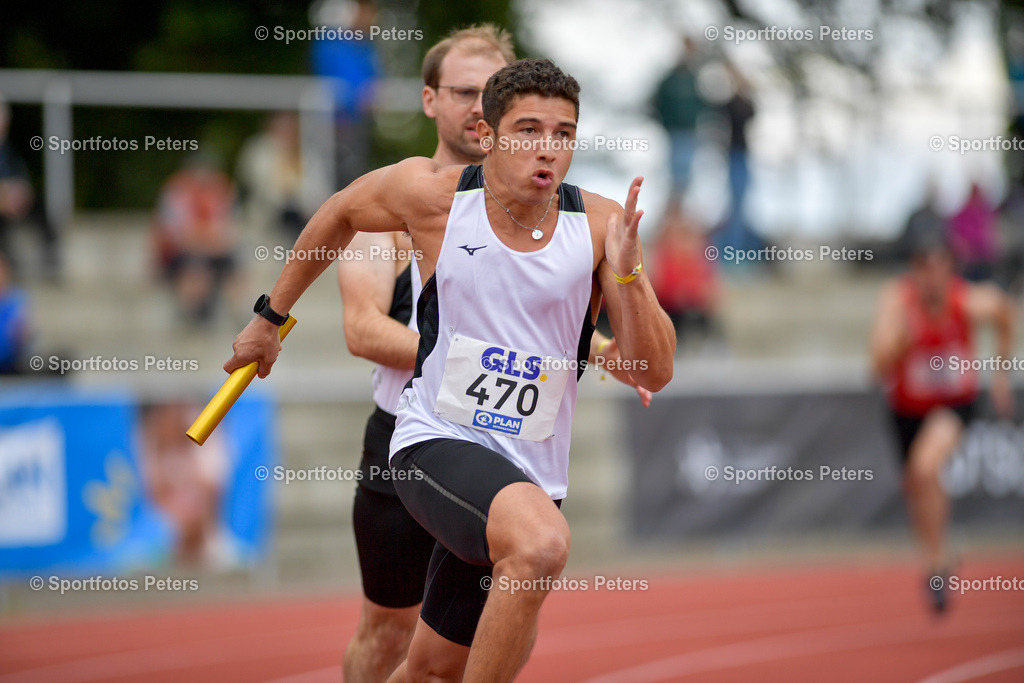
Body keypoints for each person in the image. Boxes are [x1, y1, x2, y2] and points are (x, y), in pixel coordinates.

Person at [224, 58, 675, 680]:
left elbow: (653, 371)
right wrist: (268, 320)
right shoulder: (437, 199)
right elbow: (340, 212)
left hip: (529, 467)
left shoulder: (599, 227)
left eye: (563, 134)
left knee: (433, 669)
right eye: (528, 130)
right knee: (540, 546)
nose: (547, 149)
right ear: (488, 136)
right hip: (435, 440)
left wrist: (627, 273)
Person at [336, 28, 650, 682]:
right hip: (411, 439)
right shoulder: (406, 203)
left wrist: (605, 347)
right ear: (430, 100)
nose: (479, 107)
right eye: (464, 92)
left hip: (506, 451)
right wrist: (469, 355)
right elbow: (363, 329)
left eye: (492, 93)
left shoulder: (551, 216)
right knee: (389, 629)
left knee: (449, 653)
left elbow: (544, 326)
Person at [870, 233, 1014, 614]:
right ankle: (937, 560)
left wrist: (1000, 375)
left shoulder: (967, 301)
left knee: (926, 465)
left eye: (939, 267)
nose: (931, 278)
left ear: (951, 269)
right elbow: (876, 366)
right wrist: (900, 342)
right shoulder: (898, 302)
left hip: (954, 404)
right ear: (914, 270)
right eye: (923, 268)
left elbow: (1004, 312)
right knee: (917, 484)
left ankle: (935, 568)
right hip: (906, 409)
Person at [151, 155, 239, 326]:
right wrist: (205, 239)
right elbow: (176, 233)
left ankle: (240, 314)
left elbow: (228, 231)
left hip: (211, 249)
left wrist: (205, 239)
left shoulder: (221, 192)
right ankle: (193, 312)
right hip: (180, 252)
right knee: (194, 264)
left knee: (234, 264)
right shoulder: (176, 192)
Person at [0, 96, 60, 279]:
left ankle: (51, 260)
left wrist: (21, 193)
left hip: (12, 202)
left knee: (42, 208)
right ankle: (10, 267)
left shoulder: (9, 150)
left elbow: (21, 178)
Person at [651, 36, 705, 194]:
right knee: (675, 171)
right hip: (674, 131)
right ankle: (674, 205)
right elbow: (657, 103)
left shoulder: (694, 79)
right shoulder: (670, 80)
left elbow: (702, 105)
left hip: (689, 132)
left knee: (685, 172)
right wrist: (666, 123)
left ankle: (681, 205)